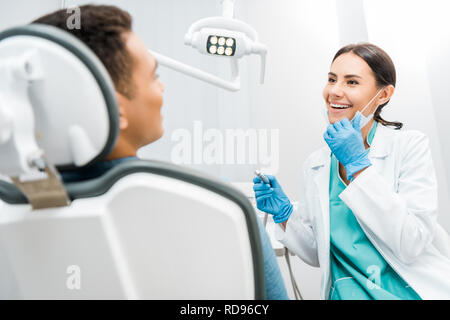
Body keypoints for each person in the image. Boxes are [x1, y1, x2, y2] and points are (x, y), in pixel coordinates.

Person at [31, 4, 288, 300]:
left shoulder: (17, 208)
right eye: (154, 76)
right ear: (116, 108)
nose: (162, 88)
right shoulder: (220, 210)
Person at [253, 43, 450, 300]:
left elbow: (411, 243)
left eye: (352, 82)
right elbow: (319, 253)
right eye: (332, 79)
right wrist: (284, 214)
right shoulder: (317, 164)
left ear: (383, 95)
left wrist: (360, 168)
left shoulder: (409, 147)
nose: (334, 91)